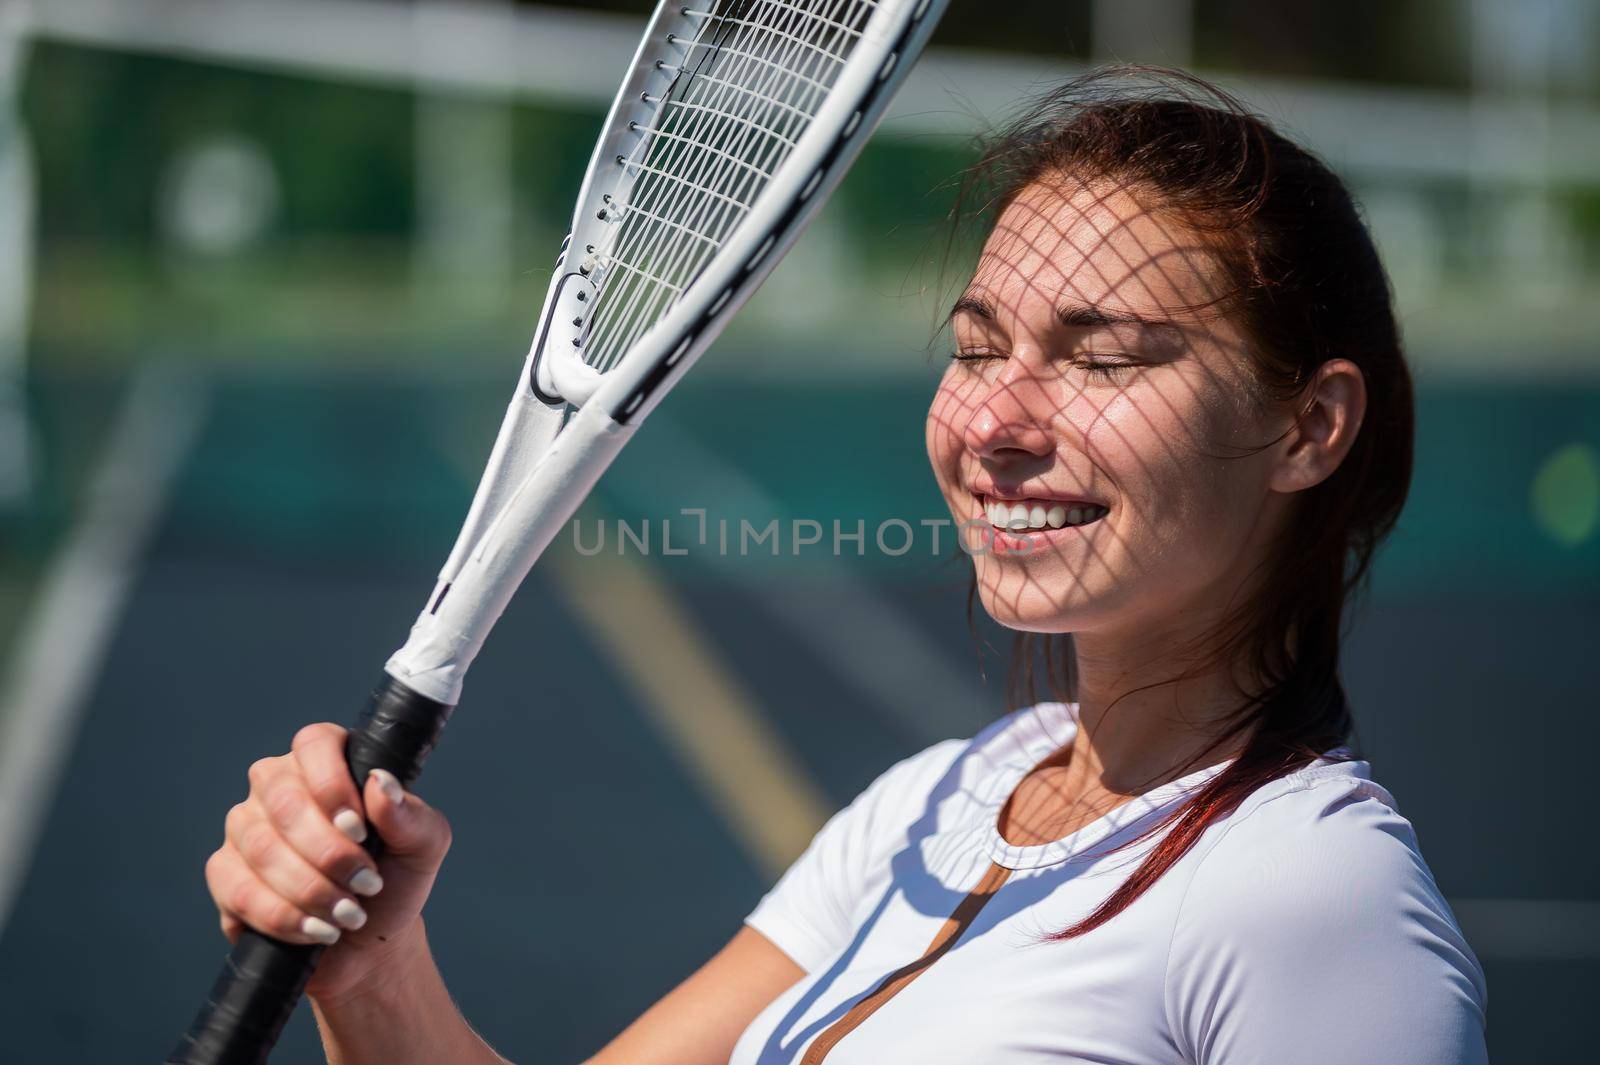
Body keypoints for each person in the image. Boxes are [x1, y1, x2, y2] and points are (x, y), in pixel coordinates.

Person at [202, 69, 1489, 1064]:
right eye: (978, 346)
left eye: (1105, 356)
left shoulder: (1315, 903)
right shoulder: (937, 802)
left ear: (1308, 428)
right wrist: (374, 981)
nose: (995, 420)